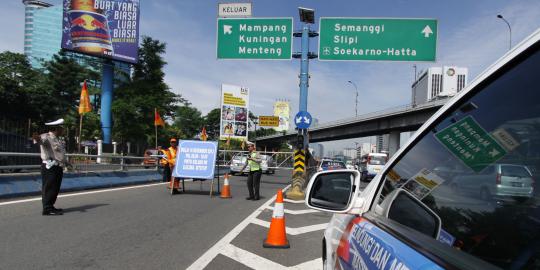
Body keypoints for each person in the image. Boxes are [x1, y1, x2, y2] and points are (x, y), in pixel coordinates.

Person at [32, 119, 69, 216]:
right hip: (49, 167)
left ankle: (51, 206)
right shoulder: (46, 136)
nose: (63, 130)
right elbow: (40, 141)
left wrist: (66, 162)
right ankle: (47, 209)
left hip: (58, 167)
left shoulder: (57, 139)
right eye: (62, 128)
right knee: (49, 188)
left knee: (55, 188)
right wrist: (37, 138)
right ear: (57, 129)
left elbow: (59, 154)